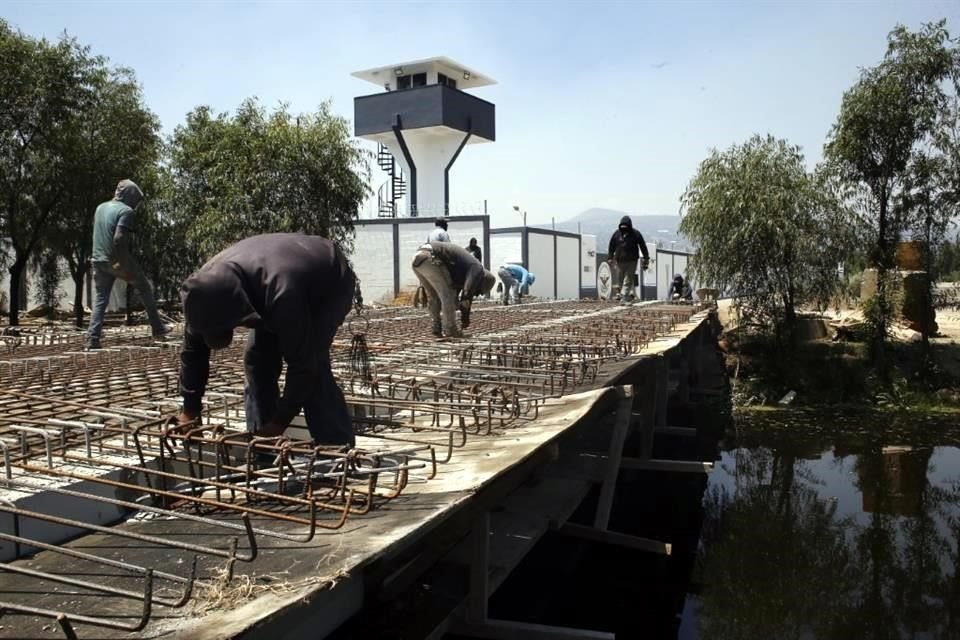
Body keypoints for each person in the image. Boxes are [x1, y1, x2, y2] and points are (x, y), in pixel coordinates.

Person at [176, 233, 357, 447]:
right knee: (257, 360)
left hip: (327, 283)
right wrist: (190, 410)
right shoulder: (201, 294)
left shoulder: (281, 294)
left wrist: (279, 423)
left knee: (313, 364)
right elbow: (192, 353)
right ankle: (262, 443)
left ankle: (335, 447)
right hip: (272, 276)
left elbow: (303, 366)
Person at [86, 179, 169, 350]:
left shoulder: (100, 208)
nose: (136, 204)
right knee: (145, 288)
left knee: (101, 298)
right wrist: (121, 262)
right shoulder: (126, 211)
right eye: (136, 200)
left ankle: (92, 338)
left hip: (97, 260)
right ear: (130, 196)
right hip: (115, 260)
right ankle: (158, 329)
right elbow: (118, 238)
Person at [412, 241, 496, 338]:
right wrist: (465, 318)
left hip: (418, 258)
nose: (476, 294)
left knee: (434, 296)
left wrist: (465, 315)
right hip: (431, 258)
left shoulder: (464, 270)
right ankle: (450, 330)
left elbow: (462, 296)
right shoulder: (477, 270)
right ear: (481, 282)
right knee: (448, 296)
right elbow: (466, 296)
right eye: (479, 292)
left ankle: (436, 327)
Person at [607, 215, 650, 304]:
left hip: (632, 261)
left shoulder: (636, 234)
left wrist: (646, 258)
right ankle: (624, 295)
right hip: (619, 261)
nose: (624, 228)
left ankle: (624, 297)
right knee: (620, 280)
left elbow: (643, 246)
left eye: (625, 226)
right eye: (622, 227)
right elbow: (611, 246)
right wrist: (610, 257)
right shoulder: (617, 234)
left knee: (628, 279)